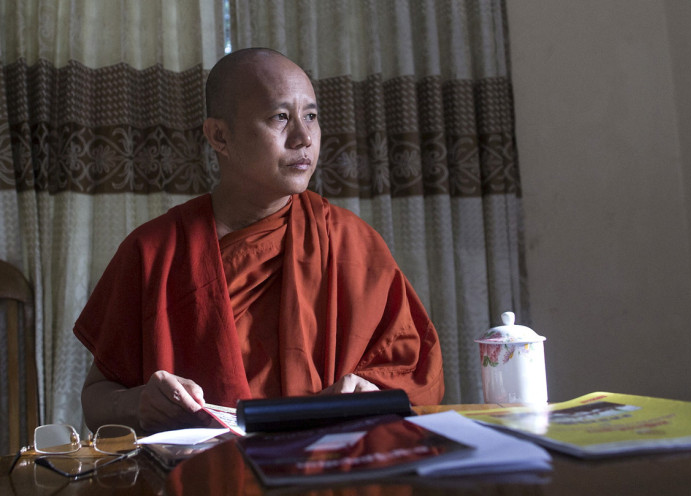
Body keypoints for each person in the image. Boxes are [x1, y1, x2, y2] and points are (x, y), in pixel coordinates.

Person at [74, 48, 444, 434]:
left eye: (312, 117)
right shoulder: (154, 252)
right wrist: (140, 403)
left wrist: (372, 393)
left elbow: (415, 379)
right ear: (219, 135)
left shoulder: (352, 243)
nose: (303, 138)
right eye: (280, 117)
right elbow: (96, 399)